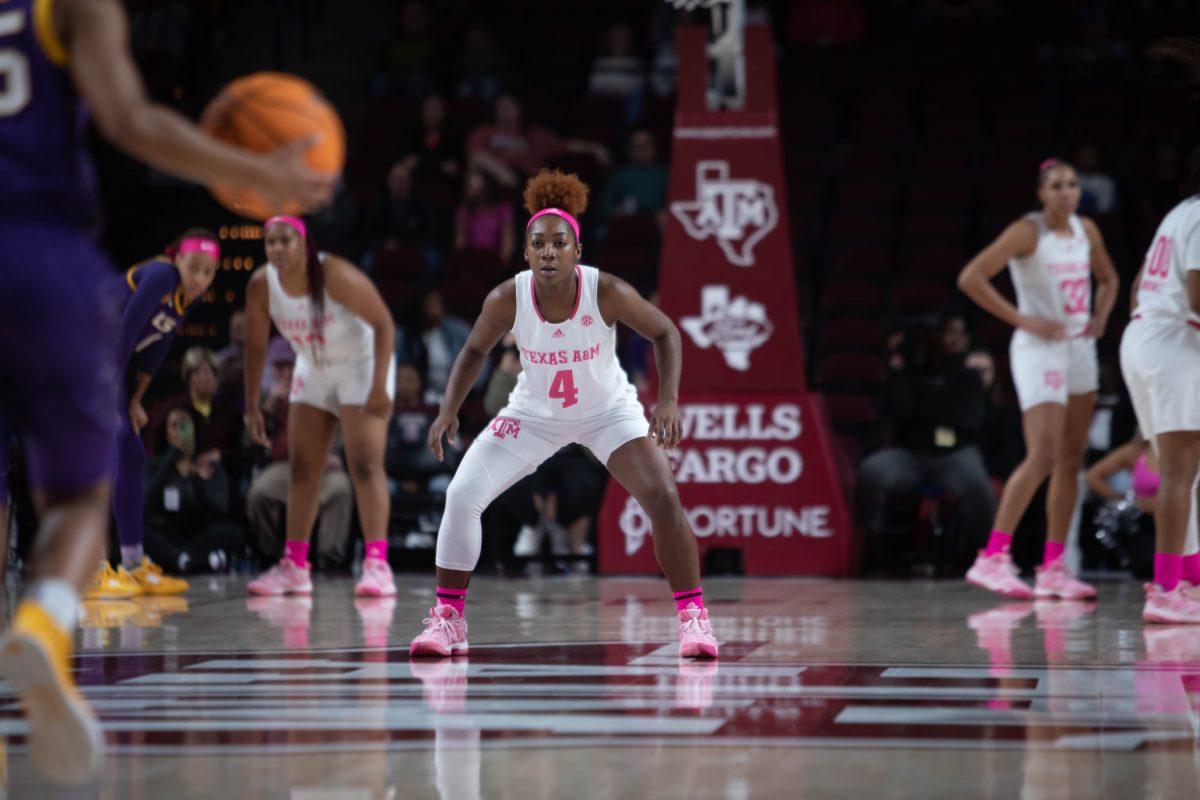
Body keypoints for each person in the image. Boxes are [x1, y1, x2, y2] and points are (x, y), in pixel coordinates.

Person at [0, 0, 331, 783]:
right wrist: (255, 172)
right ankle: (44, 621)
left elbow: (150, 364)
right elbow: (131, 119)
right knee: (79, 497)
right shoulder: (70, 7)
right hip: (43, 259)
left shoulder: (178, 306)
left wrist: (138, 392)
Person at [408, 169, 718, 659]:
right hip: (533, 415)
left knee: (662, 495)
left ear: (577, 251)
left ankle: (693, 619)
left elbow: (666, 333)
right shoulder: (506, 297)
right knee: (462, 493)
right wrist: (449, 409)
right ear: (525, 252)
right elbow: (472, 352)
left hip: (606, 412)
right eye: (539, 243)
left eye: (559, 243)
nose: (548, 251)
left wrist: (668, 400)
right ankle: (448, 620)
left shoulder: (606, 291)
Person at [957, 158, 1119, 601]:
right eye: (1056, 186)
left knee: (1071, 460)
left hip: (1078, 348)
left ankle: (1053, 567)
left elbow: (1108, 279)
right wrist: (1021, 318)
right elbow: (970, 277)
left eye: (1072, 185)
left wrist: (1101, 317)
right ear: (1041, 194)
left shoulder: (1087, 230)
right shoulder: (1027, 231)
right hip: (1039, 348)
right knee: (1043, 455)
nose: (1067, 192)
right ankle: (992, 557)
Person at [243, 216, 397, 598]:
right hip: (313, 364)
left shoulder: (334, 273)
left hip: (361, 364)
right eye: (270, 242)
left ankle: (378, 566)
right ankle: (294, 566)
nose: (277, 249)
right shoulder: (262, 285)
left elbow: (384, 324)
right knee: (302, 468)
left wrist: (379, 386)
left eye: (286, 241)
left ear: (304, 244)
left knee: (364, 464)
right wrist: (251, 404)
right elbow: (256, 348)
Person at [1119, 41, 1200, 621]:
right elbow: (1198, 296)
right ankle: (1169, 591)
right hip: (1172, 343)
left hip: (1143, 336)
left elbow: (1134, 287)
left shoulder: (1180, 211)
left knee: (1187, 472)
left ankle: (1185, 581)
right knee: (1180, 472)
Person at [97, 231, 222, 600]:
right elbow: (125, 332)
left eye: (208, 272)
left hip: (110, 367)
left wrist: (135, 399)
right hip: (88, 350)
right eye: (193, 267)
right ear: (177, 259)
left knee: (132, 456)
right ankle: (91, 570)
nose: (199, 277)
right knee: (103, 456)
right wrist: (112, 393)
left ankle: (133, 566)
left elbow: (154, 351)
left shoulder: (183, 299)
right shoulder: (162, 276)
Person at [856, 311, 995, 572]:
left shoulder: (969, 376)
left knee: (978, 486)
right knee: (871, 472)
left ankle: (991, 554)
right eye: (949, 332)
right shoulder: (909, 372)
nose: (955, 339)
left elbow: (963, 419)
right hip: (910, 454)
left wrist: (924, 409)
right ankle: (872, 544)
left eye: (960, 333)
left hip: (954, 454)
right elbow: (899, 413)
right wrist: (897, 370)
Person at [246, 338, 354, 568]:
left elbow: (346, 432)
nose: (285, 372)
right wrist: (269, 407)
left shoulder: (323, 393)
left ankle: (330, 559)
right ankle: (275, 557)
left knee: (340, 490)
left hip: (323, 466)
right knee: (260, 493)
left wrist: (336, 455)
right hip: (284, 466)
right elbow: (251, 442)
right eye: (280, 367)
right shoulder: (267, 399)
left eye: (290, 366)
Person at [142, 409, 243, 574]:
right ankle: (197, 561)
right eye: (174, 426)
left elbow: (219, 509)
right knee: (138, 532)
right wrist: (171, 458)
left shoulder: (208, 466)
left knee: (232, 532)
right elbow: (146, 499)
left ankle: (181, 560)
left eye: (185, 425)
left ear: (194, 430)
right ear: (166, 432)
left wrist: (200, 483)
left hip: (197, 534)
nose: (180, 431)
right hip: (165, 533)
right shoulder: (155, 466)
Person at [466, 94, 610, 188]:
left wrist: (593, 147)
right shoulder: (485, 131)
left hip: (523, 179)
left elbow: (564, 145)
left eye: (508, 108)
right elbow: (475, 157)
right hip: (491, 178)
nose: (504, 112)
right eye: (500, 108)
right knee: (476, 176)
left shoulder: (532, 134)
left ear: (519, 110)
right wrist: (501, 172)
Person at [599, 129, 669, 222]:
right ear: (629, 149)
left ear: (653, 148)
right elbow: (604, 208)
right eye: (636, 146)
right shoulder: (619, 175)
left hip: (656, 224)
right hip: (626, 224)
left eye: (644, 146)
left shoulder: (663, 175)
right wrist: (616, 212)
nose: (640, 150)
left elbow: (675, 206)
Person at [454, 168, 516, 264]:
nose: (470, 191)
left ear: (486, 190)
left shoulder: (503, 209)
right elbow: (460, 240)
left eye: (474, 188)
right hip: (471, 257)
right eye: (469, 187)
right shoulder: (465, 210)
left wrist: (502, 263)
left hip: (494, 258)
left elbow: (507, 240)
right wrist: (460, 261)